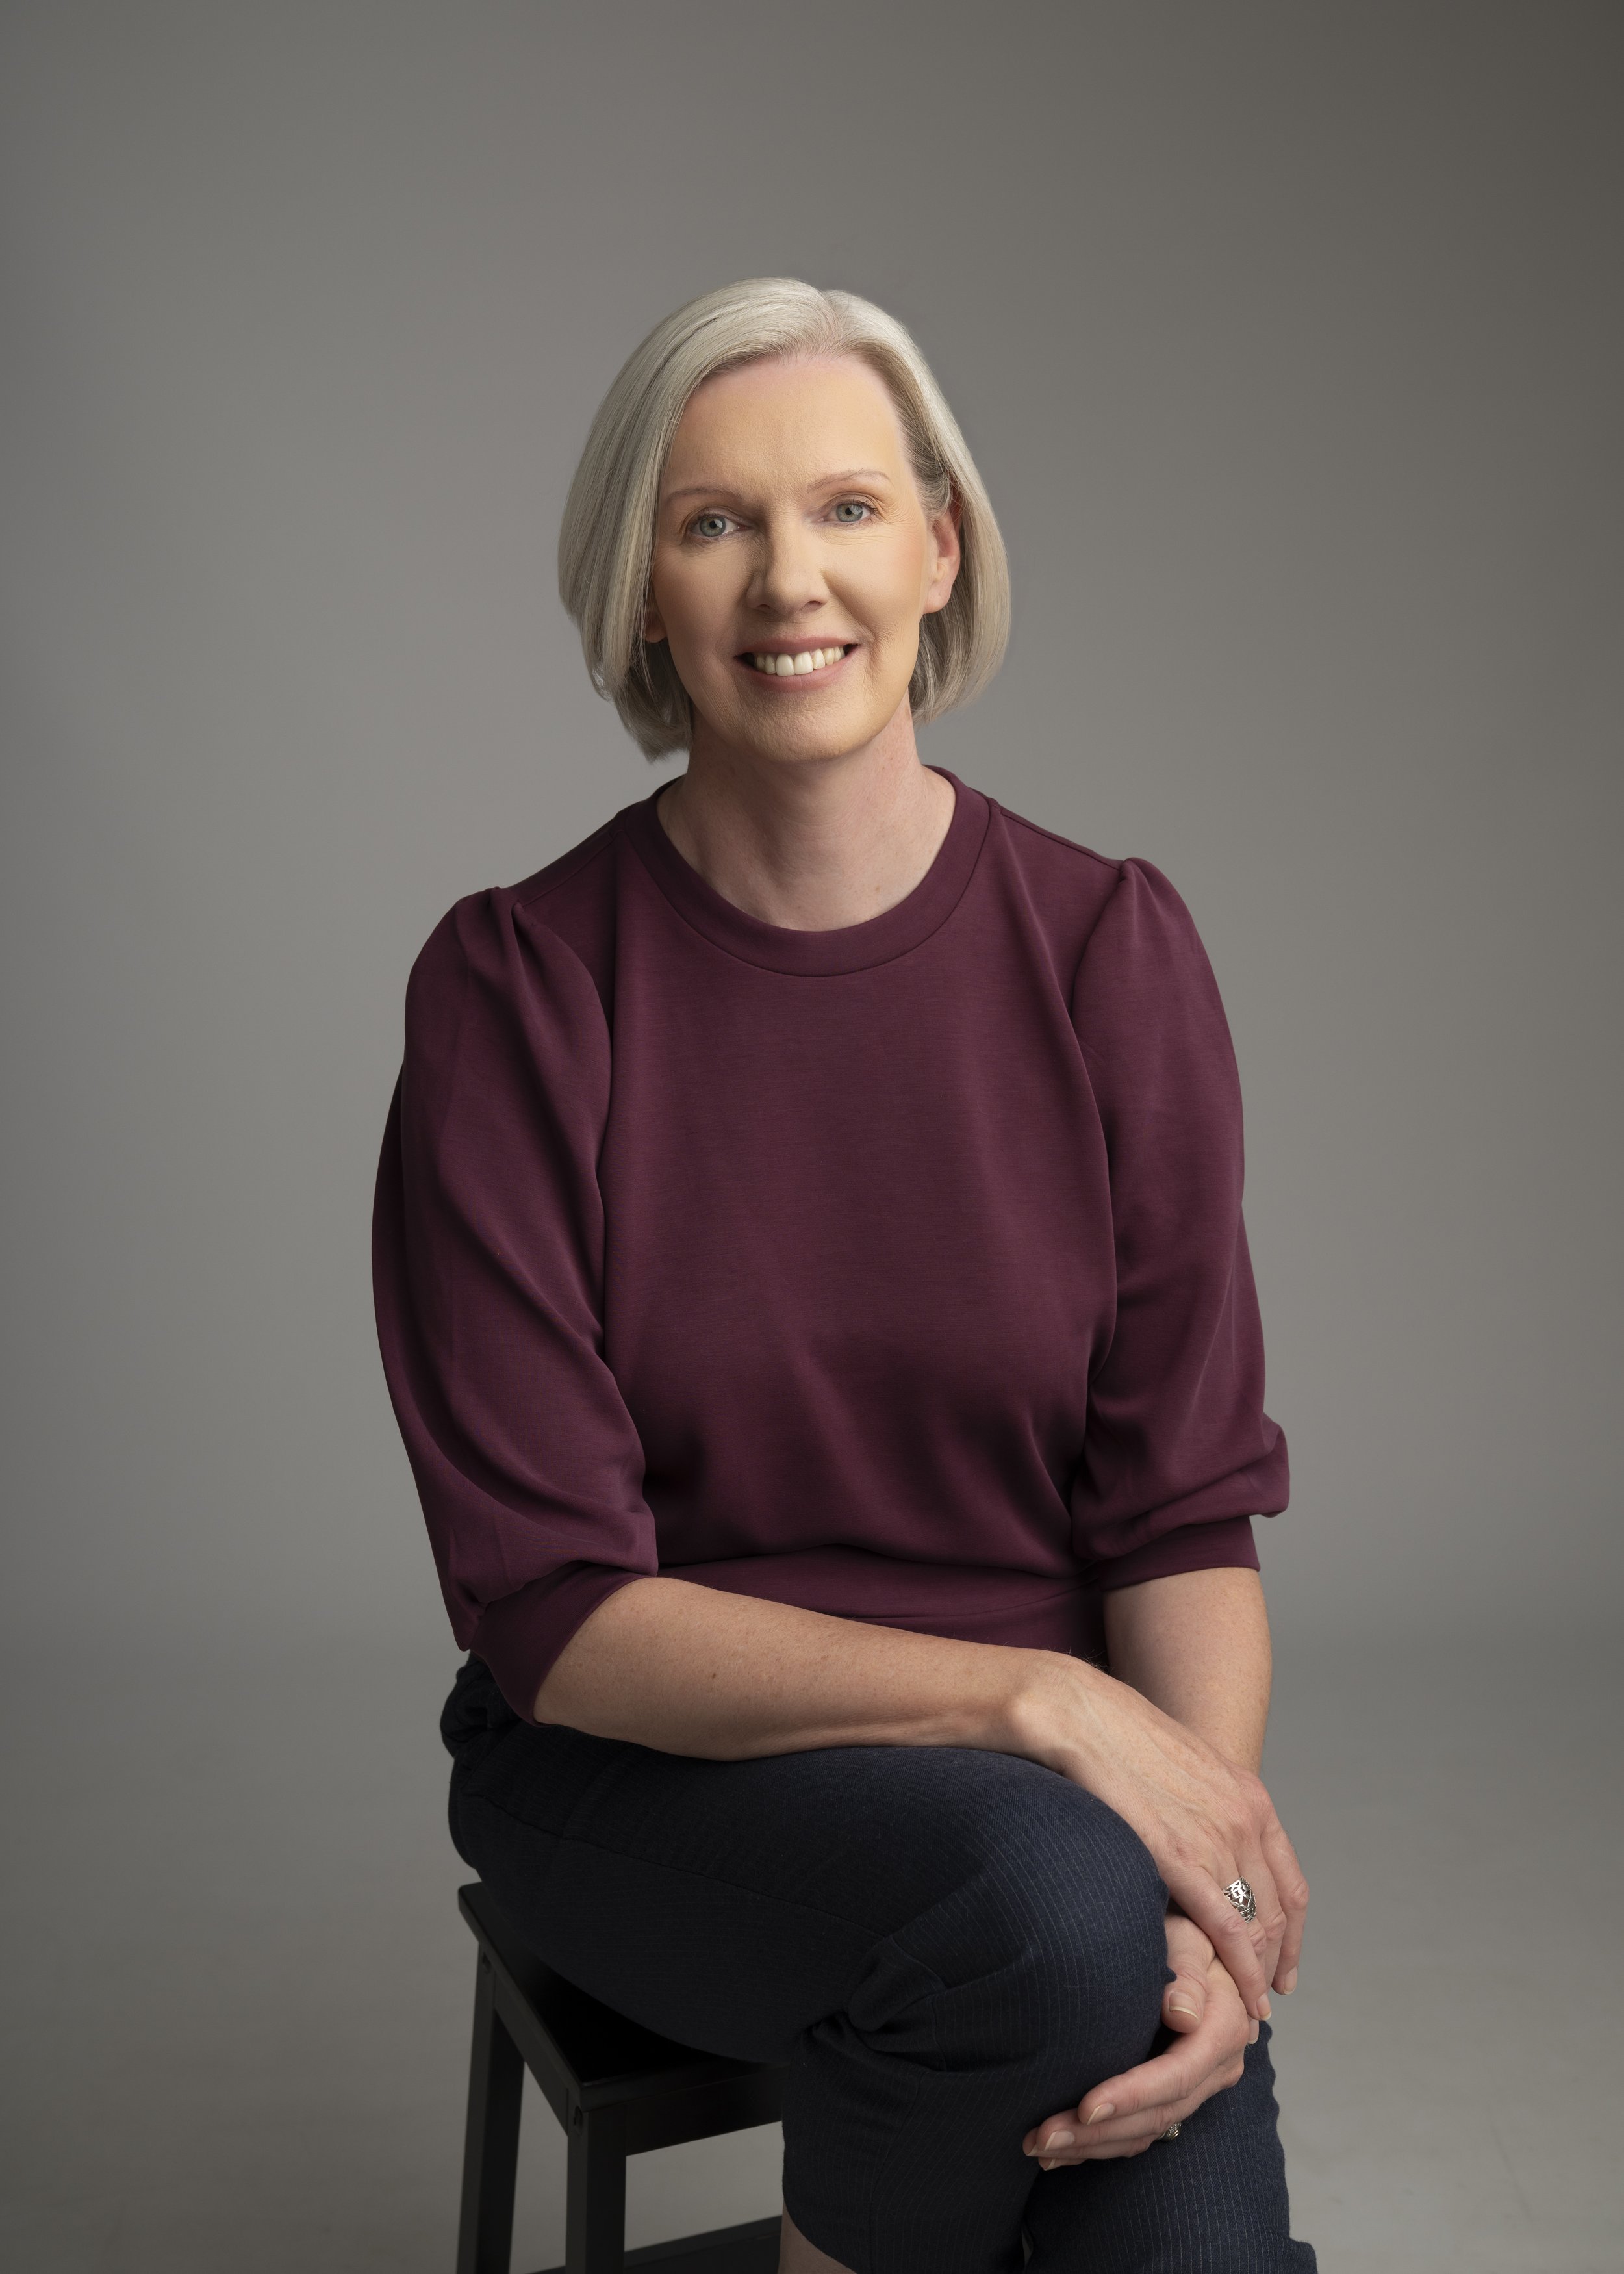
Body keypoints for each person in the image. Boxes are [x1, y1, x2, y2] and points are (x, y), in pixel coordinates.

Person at [373, 277, 1315, 2273]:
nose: (787, 577)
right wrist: (1037, 1708)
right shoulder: (520, 995)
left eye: (847, 508)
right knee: (1038, 1903)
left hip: (1055, 1832)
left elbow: (1178, 1513)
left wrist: (1207, 1881)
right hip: (640, 1774)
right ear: (642, 586)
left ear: (937, 548)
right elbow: (562, 1614)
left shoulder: (1107, 950)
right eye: (713, 520)